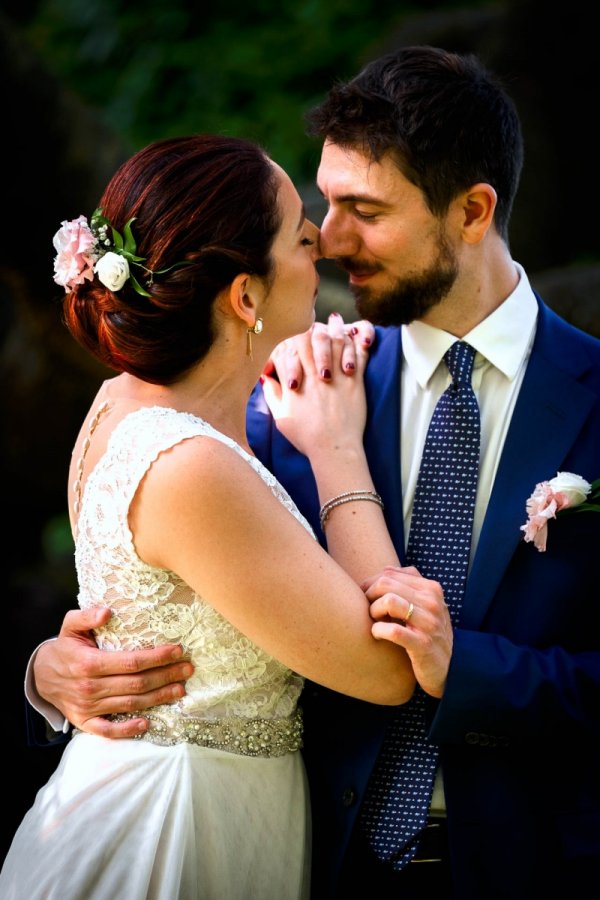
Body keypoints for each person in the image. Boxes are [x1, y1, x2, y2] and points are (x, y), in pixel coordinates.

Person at [25, 46, 600, 899]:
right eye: (323, 205)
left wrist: (469, 670)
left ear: (473, 211)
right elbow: (175, 580)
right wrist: (50, 672)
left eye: (362, 210)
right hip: (318, 862)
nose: (328, 241)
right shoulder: (283, 396)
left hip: (535, 866)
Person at [3, 132, 442, 900]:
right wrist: (336, 447)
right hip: (175, 829)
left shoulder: (122, 401)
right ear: (244, 296)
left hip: (168, 792)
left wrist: (45, 672)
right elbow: (387, 670)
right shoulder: (189, 467)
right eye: (304, 241)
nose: (325, 257)